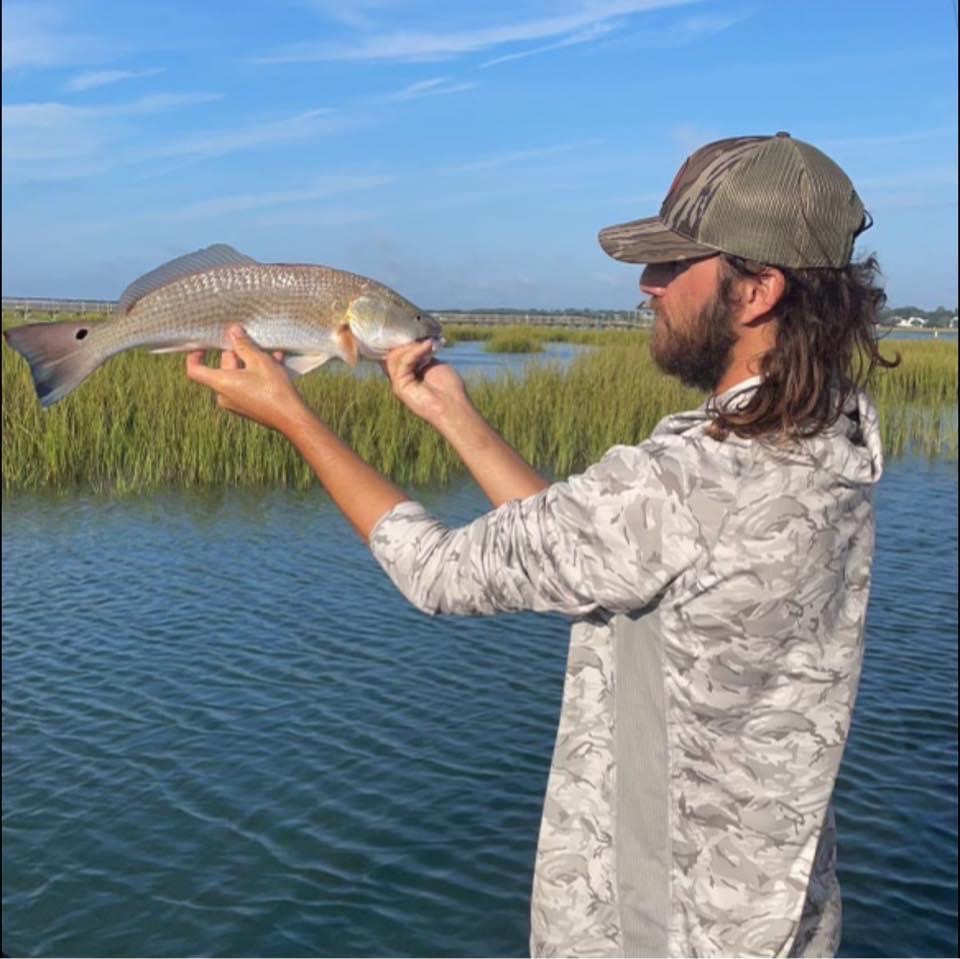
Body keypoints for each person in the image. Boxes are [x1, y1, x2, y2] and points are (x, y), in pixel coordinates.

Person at [185, 132, 896, 958]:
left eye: (673, 265)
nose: (647, 285)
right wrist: (450, 411)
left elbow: (439, 572)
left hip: (659, 929)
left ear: (757, 290)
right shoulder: (829, 435)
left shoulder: (691, 480)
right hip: (780, 917)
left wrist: (294, 416)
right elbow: (589, 549)